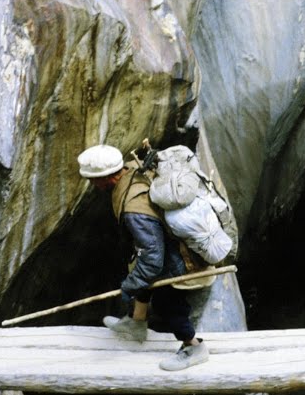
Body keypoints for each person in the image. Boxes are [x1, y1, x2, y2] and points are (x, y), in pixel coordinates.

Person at [77, 143, 209, 371]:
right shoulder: (132, 169)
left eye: (93, 180)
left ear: (106, 179)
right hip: (167, 246)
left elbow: (153, 259)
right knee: (142, 272)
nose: (92, 185)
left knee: (167, 302)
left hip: (180, 259)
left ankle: (194, 346)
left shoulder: (135, 212)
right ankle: (136, 324)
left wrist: (130, 286)